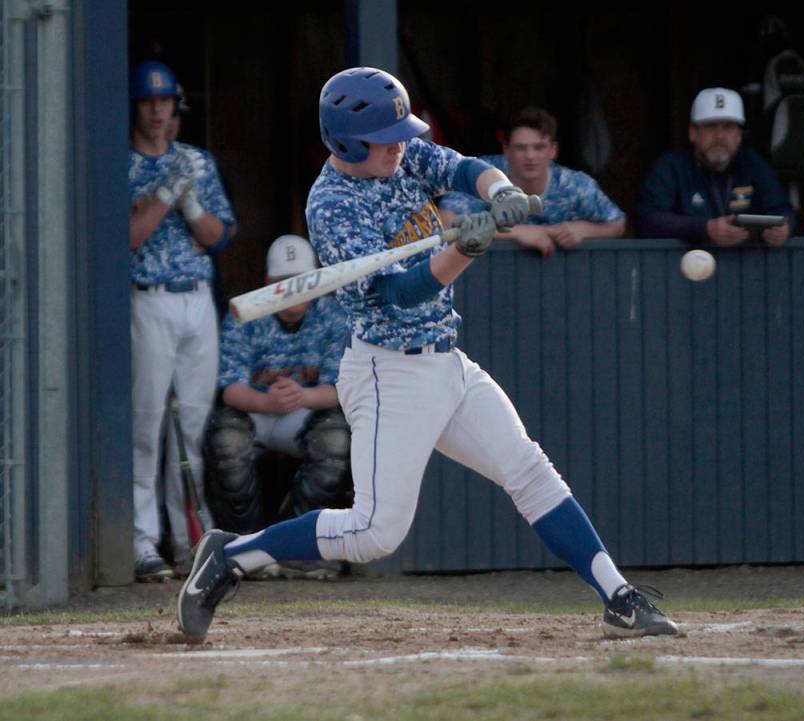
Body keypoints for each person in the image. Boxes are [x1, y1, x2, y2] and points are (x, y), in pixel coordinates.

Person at [177, 66, 678, 641]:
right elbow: (398, 293)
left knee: (529, 470)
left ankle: (618, 595)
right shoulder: (333, 205)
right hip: (388, 371)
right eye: (385, 141)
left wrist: (501, 193)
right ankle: (232, 555)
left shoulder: (402, 152)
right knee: (375, 533)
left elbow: (461, 167)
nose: (400, 148)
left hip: (446, 359)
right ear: (346, 142)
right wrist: (466, 248)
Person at [129, 60, 237, 581]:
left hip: (197, 297)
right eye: (148, 102)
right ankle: (141, 539)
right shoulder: (122, 161)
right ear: (136, 106)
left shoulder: (197, 160)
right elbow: (127, 237)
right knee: (147, 421)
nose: (157, 110)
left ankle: (187, 536)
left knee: (191, 422)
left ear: (176, 105)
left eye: (164, 101)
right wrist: (161, 198)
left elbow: (219, 237)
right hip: (147, 298)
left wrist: (189, 204)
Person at [204, 234, 353, 539]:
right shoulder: (245, 313)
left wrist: (304, 395)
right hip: (256, 411)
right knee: (226, 442)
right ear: (268, 281)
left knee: (337, 442)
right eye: (285, 281)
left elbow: (341, 388)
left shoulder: (333, 316)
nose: (294, 290)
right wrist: (267, 404)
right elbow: (230, 388)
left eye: (302, 280)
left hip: (306, 411)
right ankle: (245, 541)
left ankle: (291, 540)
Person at [438, 106, 625, 257]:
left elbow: (617, 224)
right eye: (521, 148)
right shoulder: (483, 174)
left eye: (539, 147)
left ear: (553, 151)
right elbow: (445, 221)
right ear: (506, 149)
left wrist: (583, 230)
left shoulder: (575, 186)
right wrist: (518, 233)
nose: (530, 156)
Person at [634, 87, 795, 245]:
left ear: (739, 136)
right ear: (692, 133)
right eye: (710, 126)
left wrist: (783, 229)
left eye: (728, 127)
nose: (719, 136)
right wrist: (706, 229)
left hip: (747, 267)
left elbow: (783, 210)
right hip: (683, 268)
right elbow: (647, 221)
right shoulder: (671, 167)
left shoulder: (753, 164)